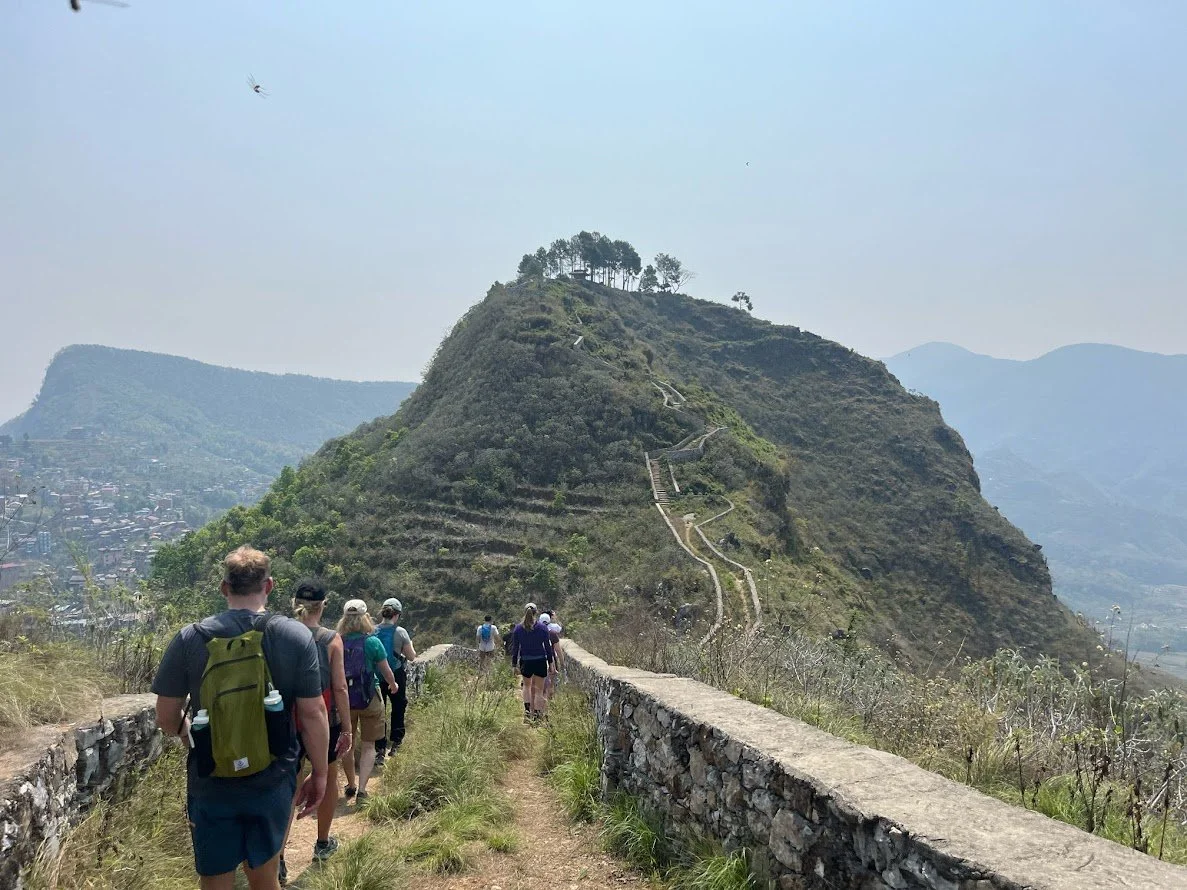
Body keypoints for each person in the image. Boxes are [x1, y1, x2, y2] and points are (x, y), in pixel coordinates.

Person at [152, 546, 328, 890]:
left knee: (215, 878)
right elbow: (312, 713)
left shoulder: (191, 638)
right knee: (264, 875)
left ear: (223, 588)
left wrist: (194, 737)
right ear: (270, 585)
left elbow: (166, 716)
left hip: (211, 778)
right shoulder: (294, 636)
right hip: (273, 775)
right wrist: (319, 773)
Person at [278, 577, 352, 883]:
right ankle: (322, 843)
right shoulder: (331, 639)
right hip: (325, 719)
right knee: (329, 777)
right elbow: (339, 687)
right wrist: (347, 727)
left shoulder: (279, 636)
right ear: (322, 606)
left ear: (294, 604)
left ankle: (278, 858)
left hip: (287, 721)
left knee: (287, 788)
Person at [338, 599, 398, 802]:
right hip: (369, 699)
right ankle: (363, 789)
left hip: (344, 700)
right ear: (365, 618)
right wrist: (393, 685)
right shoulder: (372, 642)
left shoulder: (336, 641)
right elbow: (386, 671)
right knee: (369, 745)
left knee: (347, 742)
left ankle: (350, 784)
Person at [372, 597, 416, 766]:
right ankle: (396, 744)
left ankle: (379, 749)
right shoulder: (400, 632)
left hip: (376, 677)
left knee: (379, 711)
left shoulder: (373, 631)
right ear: (397, 615)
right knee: (398, 707)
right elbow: (412, 657)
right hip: (396, 674)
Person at [509, 602, 554, 722]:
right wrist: (550, 663)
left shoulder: (518, 628)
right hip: (540, 660)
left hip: (526, 661)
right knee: (539, 690)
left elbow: (516, 648)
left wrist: (514, 664)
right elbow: (547, 648)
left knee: (527, 686)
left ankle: (527, 712)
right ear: (536, 613)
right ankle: (538, 716)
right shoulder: (542, 628)